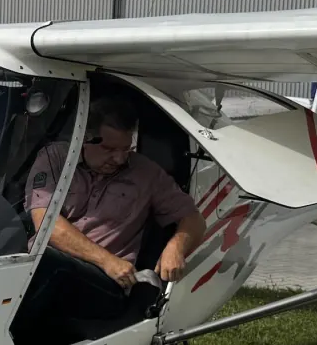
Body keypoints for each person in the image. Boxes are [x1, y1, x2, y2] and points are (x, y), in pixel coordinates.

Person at [22, 92, 207, 324]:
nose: (119, 159)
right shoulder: (55, 158)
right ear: (85, 138)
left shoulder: (146, 174)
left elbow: (194, 219)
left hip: (105, 282)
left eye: (126, 149)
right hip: (42, 265)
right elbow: (45, 222)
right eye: (110, 149)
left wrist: (176, 247)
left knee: (45, 264)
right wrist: (105, 259)